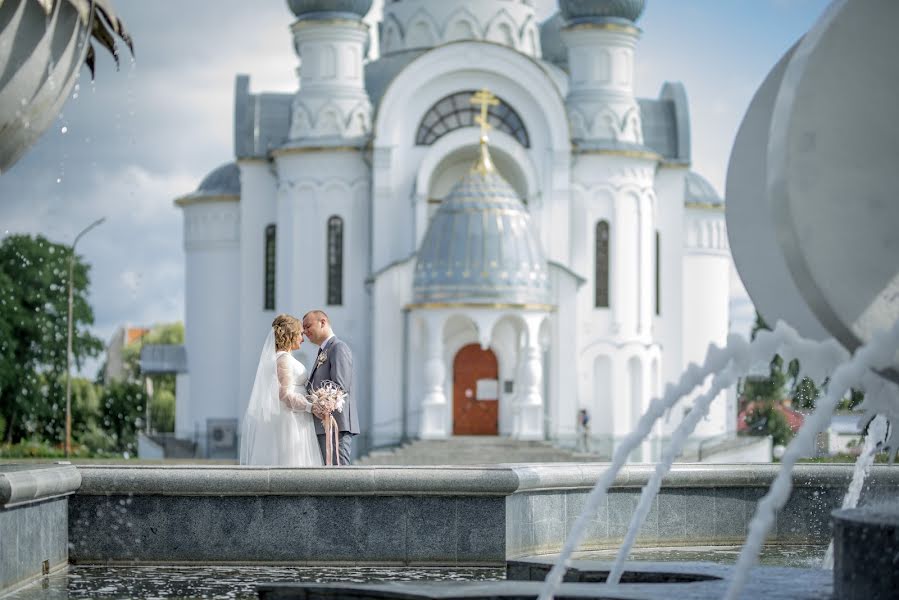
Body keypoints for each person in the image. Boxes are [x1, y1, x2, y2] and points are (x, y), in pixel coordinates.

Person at [239, 314, 322, 467]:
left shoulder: (283, 357)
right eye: (300, 334)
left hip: (297, 415)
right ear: (291, 334)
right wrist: (311, 407)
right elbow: (284, 394)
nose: (302, 339)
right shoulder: (283, 359)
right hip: (291, 418)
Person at [302, 310, 358, 465]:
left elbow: (340, 387)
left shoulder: (338, 348)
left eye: (308, 326)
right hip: (323, 426)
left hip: (335, 426)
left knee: (338, 476)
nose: (305, 332)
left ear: (323, 322)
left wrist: (320, 403)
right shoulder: (323, 351)